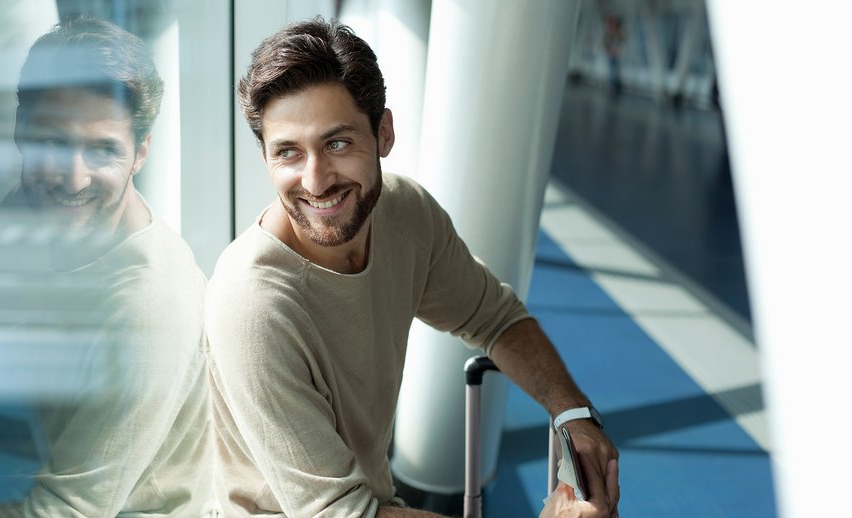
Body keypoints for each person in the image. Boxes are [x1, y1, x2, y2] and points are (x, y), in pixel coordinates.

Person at [205, 17, 620, 518]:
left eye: (337, 144)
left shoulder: (403, 213)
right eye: (288, 153)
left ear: (383, 132)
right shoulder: (251, 305)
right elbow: (340, 513)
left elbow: (497, 319)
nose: (315, 181)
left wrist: (572, 413)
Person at [0, 15, 214, 517]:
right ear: (21, 130)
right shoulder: (33, 207)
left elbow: (64, 514)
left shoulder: (149, 308)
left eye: (102, 149)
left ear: (139, 153)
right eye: (53, 143)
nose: (72, 177)